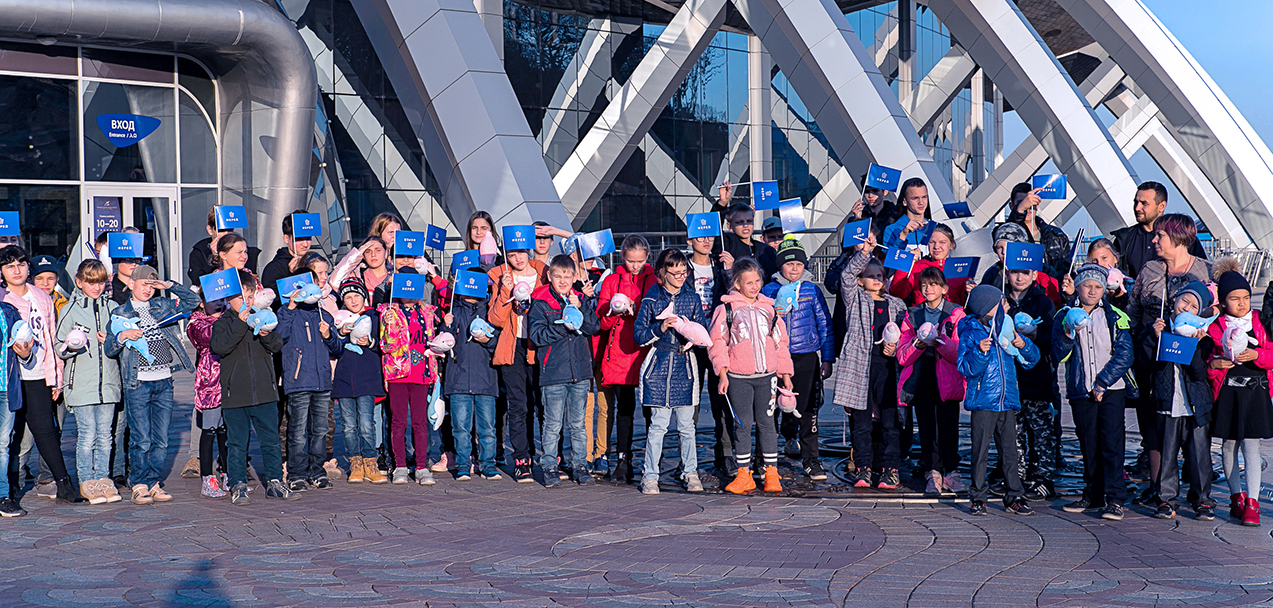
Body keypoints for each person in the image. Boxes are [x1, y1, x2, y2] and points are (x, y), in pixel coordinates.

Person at [1125, 213, 1212, 504]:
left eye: (1160, 235)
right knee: (1154, 423)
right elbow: (1133, 311)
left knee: (1193, 424)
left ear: (1178, 237)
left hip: (1192, 361)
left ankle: (1197, 491)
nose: (1154, 240)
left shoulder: (1205, 270)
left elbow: (1218, 314)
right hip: (1153, 356)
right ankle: (1158, 487)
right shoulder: (1150, 269)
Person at [103, 262, 199, 504]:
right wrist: (122, 336)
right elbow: (110, 349)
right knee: (141, 438)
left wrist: (169, 285)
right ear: (130, 284)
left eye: (152, 285)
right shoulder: (120, 313)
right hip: (138, 383)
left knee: (161, 439)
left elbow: (193, 302)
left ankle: (154, 481)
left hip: (164, 380)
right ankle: (139, 483)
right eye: (143, 284)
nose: (148, 289)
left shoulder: (162, 305)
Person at [1053, 263, 1136, 521]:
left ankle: (1115, 498)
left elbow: (1125, 355)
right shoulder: (1064, 314)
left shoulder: (1115, 315)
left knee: (1112, 444)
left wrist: (1103, 382)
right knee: (1088, 444)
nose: (1092, 291)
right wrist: (1068, 335)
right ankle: (1093, 494)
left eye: (1098, 287)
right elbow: (1058, 354)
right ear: (1077, 287)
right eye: (1087, 285)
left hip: (1111, 390)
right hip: (1081, 389)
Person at [210, 269, 298, 505]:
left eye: (250, 297)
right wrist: (241, 323)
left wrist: (266, 333)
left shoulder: (262, 316)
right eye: (241, 297)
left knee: (271, 440)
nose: (246, 302)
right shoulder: (223, 323)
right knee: (237, 443)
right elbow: (220, 347)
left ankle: (275, 481)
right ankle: (238, 484)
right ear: (229, 299)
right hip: (236, 395)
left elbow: (277, 345)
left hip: (265, 392)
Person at [710, 257, 794, 494]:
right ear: (737, 284)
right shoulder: (726, 309)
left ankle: (771, 473)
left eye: (757, 281)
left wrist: (785, 374)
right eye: (749, 282)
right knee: (742, 425)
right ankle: (743, 474)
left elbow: (780, 343)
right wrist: (723, 374)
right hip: (739, 378)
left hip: (767, 377)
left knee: (767, 424)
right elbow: (717, 343)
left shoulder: (769, 309)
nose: (755, 286)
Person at [831, 236, 906, 490]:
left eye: (880, 275)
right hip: (860, 365)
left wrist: (895, 347)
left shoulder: (897, 304)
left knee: (890, 420)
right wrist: (864, 254)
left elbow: (905, 334)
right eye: (870, 275)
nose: (876, 279)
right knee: (861, 422)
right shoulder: (856, 299)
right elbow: (845, 277)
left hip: (888, 367)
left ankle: (890, 468)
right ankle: (863, 467)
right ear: (861, 280)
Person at [957, 285, 1039, 516]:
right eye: (1001, 303)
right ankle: (978, 497)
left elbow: (1031, 360)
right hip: (984, 400)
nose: (1006, 305)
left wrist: (1024, 344)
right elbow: (965, 367)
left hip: (1007, 399)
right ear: (987, 308)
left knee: (1010, 451)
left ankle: (1014, 496)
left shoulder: (1006, 327)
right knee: (980, 451)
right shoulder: (971, 332)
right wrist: (979, 352)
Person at [761, 237, 833, 480]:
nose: (794, 269)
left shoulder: (812, 290)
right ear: (780, 266)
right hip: (775, 356)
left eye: (799, 264)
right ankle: (764, 459)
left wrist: (827, 358)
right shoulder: (769, 290)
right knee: (770, 408)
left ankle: (811, 458)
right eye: (789, 264)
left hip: (805, 356)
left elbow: (824, 324)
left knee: (808, 408)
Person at [633, 248, 705, 494]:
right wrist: (660, 328)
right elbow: (639, 335)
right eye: (675, 273)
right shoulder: (651, 300)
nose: (681, 276)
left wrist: (692, 337)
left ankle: (690, 472)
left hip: (685, 366)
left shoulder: (692, 298)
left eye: (684, 272)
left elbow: (702, 330)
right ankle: (650, 476)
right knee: (658, 426)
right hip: (658, 366)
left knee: (687, 426)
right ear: (662, 273)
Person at [1206, 266, 1273, 527]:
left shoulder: (1260, 321)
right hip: (1228, 392)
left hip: (1256, 391)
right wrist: (1214, 365)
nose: (1242, 303)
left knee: (1251, 445)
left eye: (1245, 297)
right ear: (1223, 302)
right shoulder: (1215, 326)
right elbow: (1205, 361)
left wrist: (1258, 355)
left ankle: (1253, 502)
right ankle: (1236, 497)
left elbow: (1271, 355)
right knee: (1229, 444)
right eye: (1234, 298)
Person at [528, 254, 602, 488]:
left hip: (580, 372)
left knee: (578, 423)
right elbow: (537, 335)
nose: (562, 281)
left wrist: (580, 308)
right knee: (552, 424)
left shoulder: (579, 298)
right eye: (558, 276)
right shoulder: (540, 302)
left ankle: (580, 464)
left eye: (567, 276)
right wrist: (564, 326)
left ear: (574, 277)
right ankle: (549, 465)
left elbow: (594, 327)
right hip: (553, 373)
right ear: (550, 276)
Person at [1145, 281, 1215, 520]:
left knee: (1199, 456)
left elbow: (1199, 373)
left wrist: (1195, 345)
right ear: (1175, 300)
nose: (1187, 308)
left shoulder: (1203, 336)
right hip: (1167, 403)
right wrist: (1156, 338)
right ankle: (1166, 499)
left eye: (1194, 306)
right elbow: (1146, 362)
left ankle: (1202, 500)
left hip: (1196, 405)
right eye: (1184, 301)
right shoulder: (1158, 328)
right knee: (1167, 454)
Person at [54, 259, 123, 504]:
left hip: (109, 383)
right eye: (91, 282)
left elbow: (124, 341)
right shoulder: (69, 310)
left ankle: (103, 479)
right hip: (81, 384)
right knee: (87, 435)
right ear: (79, 282)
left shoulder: (114, 308)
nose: (96, 287)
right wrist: (72, 345)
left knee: (106, 435)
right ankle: (86, 481)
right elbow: (58, 347)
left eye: (101, 282)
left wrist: (113, 342)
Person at [895, 266, 966, 496]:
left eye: (934, 284)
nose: (928, 289)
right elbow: (902, 355)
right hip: (922, 374)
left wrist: (941, 344)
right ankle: (932, 471)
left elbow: (961, 352)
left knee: (948, 424)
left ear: (944, 289)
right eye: (924, 285)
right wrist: (918, 343)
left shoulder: (956, 314)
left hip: (948, 376)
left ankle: (951, 470)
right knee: (926, 425)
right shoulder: (912, 314)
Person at [596, 236, 657, 482]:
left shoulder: (654, 279)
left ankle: (653, 461)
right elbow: (602, 321)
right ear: (623, 257)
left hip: (647, 349)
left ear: (647, 257)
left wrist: (638, 310)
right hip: (621, 352)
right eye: (631, 261)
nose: (635, 266)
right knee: (624, 409)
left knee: (652, 410)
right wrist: (615, 310)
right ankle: (623, 460)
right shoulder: (612, 281)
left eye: (640, 261)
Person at [277, 265, 343, 491]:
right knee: (297, 431)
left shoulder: (324, 315)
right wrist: (290, 307)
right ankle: (296, 473)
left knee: (320, 431)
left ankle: (317, 471)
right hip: (298, 382)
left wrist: (329, 335)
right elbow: (279, 338)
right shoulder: (287, 312)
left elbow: (337, 349)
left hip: (322, 382)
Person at [487, 243, 548, 483]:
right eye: (511, 255)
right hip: (512, 347)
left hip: (538, 346)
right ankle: (522, 459)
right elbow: (495, 319)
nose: (518, 258)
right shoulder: (501, 276)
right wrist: (505, 289)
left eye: (521, 252)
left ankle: (551, 457)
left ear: (528, 252)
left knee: (542, 404)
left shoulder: (543, 273)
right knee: (518, 405)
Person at [378, 267, 441, 485]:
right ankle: (400, 466)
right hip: (398, 373)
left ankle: (421, 466)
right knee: (398, 422)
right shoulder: (388, 311)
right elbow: (387, 346)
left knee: (420, 422)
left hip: (421, 373)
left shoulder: (427, 311)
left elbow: (433, 341)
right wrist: (388, 325)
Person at [1003, 265, 1058, 501]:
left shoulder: (1043, 303)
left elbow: (1051, 339)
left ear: (1034, 275)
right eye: (1015, 272)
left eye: (1025, 272)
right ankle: (1016, 477)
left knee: (1042, 431)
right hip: (1008, 378)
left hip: (1036, 377)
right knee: (1013, 432)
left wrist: (1034, 336)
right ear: (1007, 273)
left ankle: (1045, 478)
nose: (1019, 277)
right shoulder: (1001, 300)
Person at [440, 285, 501, 480]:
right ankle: (463, 464)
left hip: (486, 378)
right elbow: (443, 343)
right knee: (460, 427)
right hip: (458, 379)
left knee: (487, 428)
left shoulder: (491, 311)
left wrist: (487, 340)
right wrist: (446, 326)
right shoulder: (453, 310)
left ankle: (488, 464)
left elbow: (499, 342)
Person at [19, 254, 68, 497]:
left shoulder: (64, 304)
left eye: (50, 278)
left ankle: (47, 476)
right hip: (29, 375)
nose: (45, 283)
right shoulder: (21, 301)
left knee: (54, 428)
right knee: (26, 435)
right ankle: (16, 477)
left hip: (57, 373)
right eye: (40, 278)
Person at [686, 230, 733, 478]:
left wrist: (729, 271)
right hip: (690, 342)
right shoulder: (683, 267)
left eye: (710, 237)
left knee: (721, 399)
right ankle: (688, 458)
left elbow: (734, 294)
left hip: (717, 341)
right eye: (700, 237)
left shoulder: (720, 266)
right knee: (690, 401)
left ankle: (725, 454)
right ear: (689, 241)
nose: (706, 241)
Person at [332, 276, 387, 484]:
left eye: (356, 295)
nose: (353, 301)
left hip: (368, 379)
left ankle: (371, 462)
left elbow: (384, 342)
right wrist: (340, 334)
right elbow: (333, 348)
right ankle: (355, 462)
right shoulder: (339, 318)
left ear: (364, 296)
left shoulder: (374, 316)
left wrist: (370, 342)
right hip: (344, 380)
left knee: (366, 424)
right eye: (348, 297)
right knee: (348, 426)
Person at [1112, 181, 1207, 281]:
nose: (1137, 208)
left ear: (1161, 206)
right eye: (1136, 202)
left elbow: (1201, 273)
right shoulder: (1124, 238)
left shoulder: (1183, 238)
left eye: (1144, 203)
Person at [186, 295, 230, 499]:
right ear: (202, 303)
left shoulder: (227, 318)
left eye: (222, 299)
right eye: (213, 300)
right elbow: (210, 337)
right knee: (210, 429)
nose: (219, 303)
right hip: (210, 381)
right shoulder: (197, 323)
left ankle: (227, 474)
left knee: (224, 430)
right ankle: (207, 478)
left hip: (229, 379)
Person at [979, 223, 1062, 306]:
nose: (1003, 252)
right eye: (999, 247)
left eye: (1009, 247)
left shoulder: (1045, 272)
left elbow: (1055, 305)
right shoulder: (992, 273)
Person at [889, 223, 970, 306]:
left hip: (952, 313)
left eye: (942, 242)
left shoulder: (961, 268)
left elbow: (967, 303)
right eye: (932, 242)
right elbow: (897, 294)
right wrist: (905, 263)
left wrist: (972, 292)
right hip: (921, 313)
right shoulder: (917, 266)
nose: (936, 246)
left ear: (951, 245)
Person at [0, 288, 27, 516]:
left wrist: (25, 351)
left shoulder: (9, 311)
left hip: (6, 388)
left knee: (2, 445)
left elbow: (24, 346)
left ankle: (3, 496)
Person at [1005, 183, 1071, 274]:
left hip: (1051, 282)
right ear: (1011, 206)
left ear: (1037, 205)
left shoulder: (1056, 235)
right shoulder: (1004, 233)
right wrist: (1019, 211)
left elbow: (1067, 269)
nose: (1027, 208)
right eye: (1022, 203)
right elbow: (1005, 234)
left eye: (1031, 204)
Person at [187, 206, 261, 285]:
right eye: (221, 230)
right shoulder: (199, 252)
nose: (226, 234)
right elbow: (201, 283)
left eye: (230, 230)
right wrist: (215, 259)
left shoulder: (243, 250)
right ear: (210, 230)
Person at [260, 211, 314, 306]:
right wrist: (292, 275)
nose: (305, 244)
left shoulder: (314, 260)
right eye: (299, 239)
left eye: (308, 238)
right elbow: (275, 301)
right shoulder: (274, 268)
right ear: (286, 238)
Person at [720, 203, 779, 281]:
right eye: (739, 222)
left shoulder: (768, 250)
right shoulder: (728, 243)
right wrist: (722, 203)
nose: (745, 225)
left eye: (749, 221)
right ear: (729, 226)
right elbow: (714, 229)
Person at [880, 177, 933, 251]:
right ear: (904, 201)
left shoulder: (934, 227)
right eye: (915, 198)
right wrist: (903, 235)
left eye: (924, 197)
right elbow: (889, 257)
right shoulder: (891, 230)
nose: (921, 202)